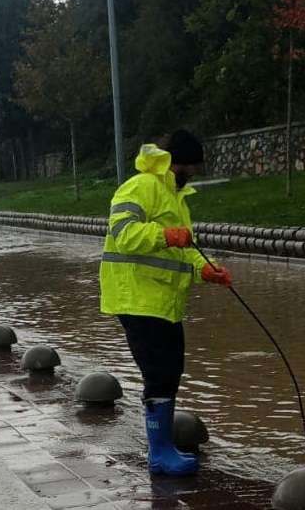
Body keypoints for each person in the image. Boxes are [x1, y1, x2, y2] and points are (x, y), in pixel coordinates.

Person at [99, 129, 233, 476]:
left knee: (170, 371)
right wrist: (165, 234)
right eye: (194, 165)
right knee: (160, 374)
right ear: (178, 163)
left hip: (162, 301)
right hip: (138, 299)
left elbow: (185, 251)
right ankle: (159, 454)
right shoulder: (140, 187)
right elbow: (124, 233)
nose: (197, 173)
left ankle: (163, 449)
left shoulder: (175, 197)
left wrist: (208, 271)